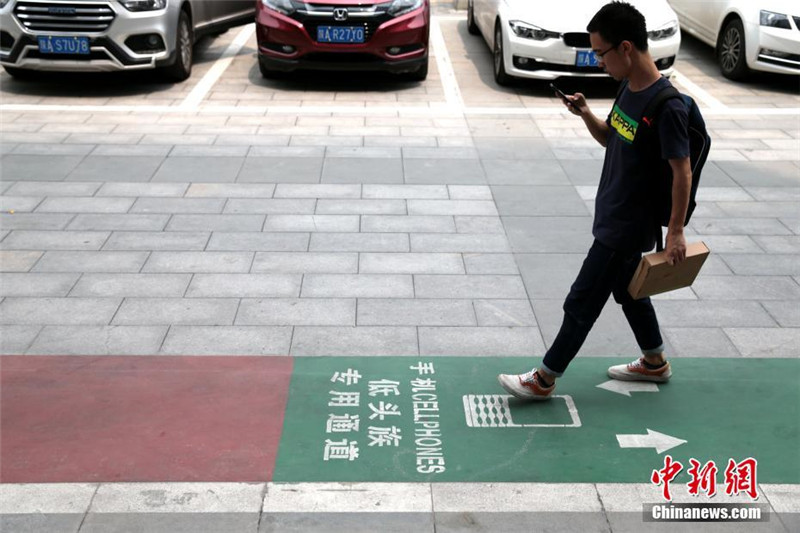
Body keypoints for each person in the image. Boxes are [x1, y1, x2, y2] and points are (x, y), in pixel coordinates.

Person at [498, 1, 692, 400]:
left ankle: (544, 378)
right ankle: (654, 362)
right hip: (613, 213)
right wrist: (586, 113)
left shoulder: (666, 106)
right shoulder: (628, 88)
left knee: (582, 299)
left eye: (600, 53)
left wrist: (675, 232)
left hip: (627, 225)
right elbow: (612, 137)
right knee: (630, 293)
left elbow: (681, 171)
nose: (597, 61)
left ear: (625, 48)